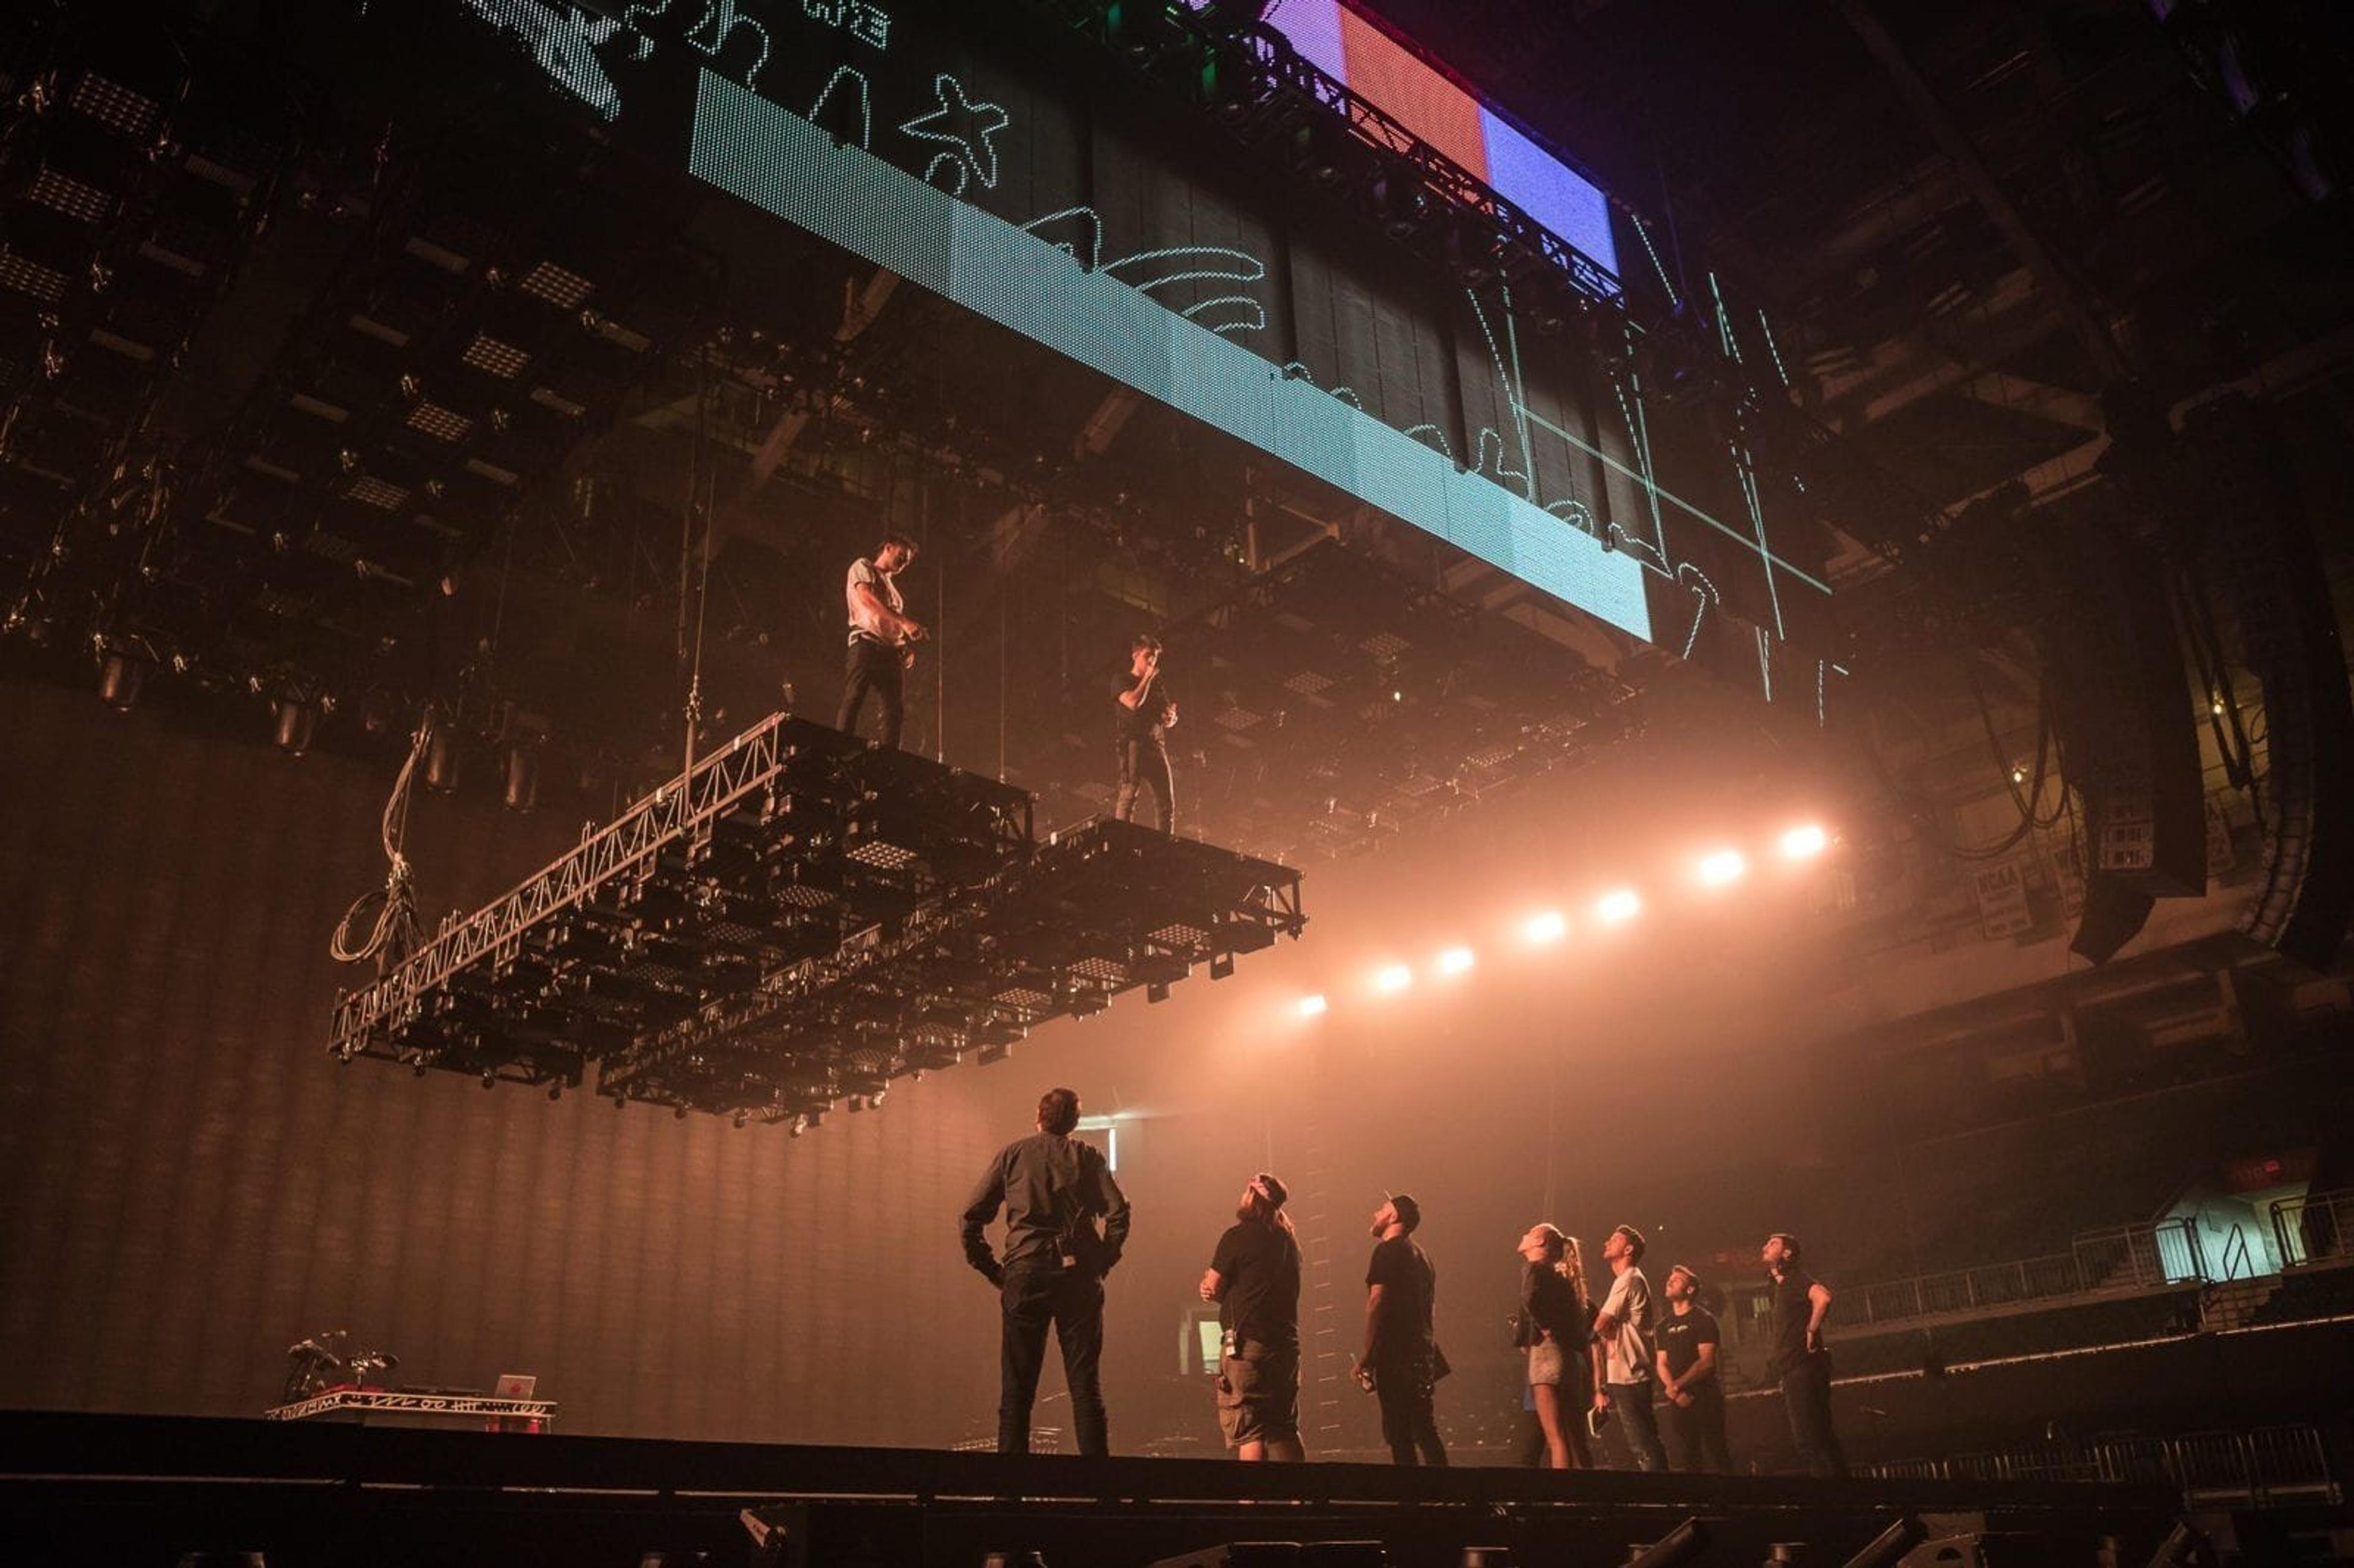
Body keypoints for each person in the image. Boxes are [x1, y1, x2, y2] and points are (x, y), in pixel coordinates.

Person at [959, 1087, 1130, 1456]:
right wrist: (1103, 1261)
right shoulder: (1088, 1157)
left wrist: (996, 1272)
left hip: (1025, 1272)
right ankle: (1101, 1492)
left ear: (1039, 1116)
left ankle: (1011, 1494)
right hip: (1079, 1278)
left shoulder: (1013, 1155)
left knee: (1017, 1390)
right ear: (1075, 1122)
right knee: (1086, 1387)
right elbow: (1119, 1212)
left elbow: (971, 1219)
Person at [1200, 1173, 1306, 1461]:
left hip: (1248, 1346)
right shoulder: (1289, 1242)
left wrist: (1209, 1290)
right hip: (1286, 1347)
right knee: (1283, 1428)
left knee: (1250, 1429)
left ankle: (1252, 1503)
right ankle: (1301, 1501)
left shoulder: (1237, 1236)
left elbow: (1214, 1286)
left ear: (1252, 1197)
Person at [1357, 1193, 1446, 1466]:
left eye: (1382, 1209)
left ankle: (1411, 1501)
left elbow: (1377, 1301)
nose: (1375, 1214)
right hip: (1421, 1355)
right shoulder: (1422, 1257)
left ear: (1394, 1216)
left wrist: (1368, 1358)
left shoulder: (1388, 1250)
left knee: (1400, 1436)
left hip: (1395, 1357)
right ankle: (1448, 1496)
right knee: (1425, 1431)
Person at [1514, 1224, 1602, 1469]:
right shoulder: (1564, 1281)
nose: (1523, 1235)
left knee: (1556, 1439)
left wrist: (1542, 1325)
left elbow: (1529, 1298)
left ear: (1540, 1243)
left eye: (1529, 1233)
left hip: (1546, 1359)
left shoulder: (1533, 1268)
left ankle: (1561, 1497)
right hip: (1568, 1361)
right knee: (1572, 1438)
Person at [1764, 1232, 1846, 1477]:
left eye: (1773, 1243)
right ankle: (1848, 1495)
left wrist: (1812, 1329)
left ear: (1787, 1253)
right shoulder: (1783, 1284)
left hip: (1803, 1366)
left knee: (1809, 1439)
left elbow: (1823, 1297)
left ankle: (1828, 1500)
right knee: (1821, 1435)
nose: (1765, 1246)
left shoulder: (1796, 1279)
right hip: (1798, 1367)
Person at [836, 533, 927, 748]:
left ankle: (890, 757)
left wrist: (903, 646)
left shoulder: (896, 594)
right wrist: (905, 623)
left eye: (907, 561)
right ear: (888, 548)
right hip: (866, 644)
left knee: (894, 710)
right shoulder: (863, 566)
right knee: (855, 697)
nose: (903, 563)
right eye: (901, 556)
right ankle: (839, 746)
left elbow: (888, 623)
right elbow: (867, 599)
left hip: (890, 652)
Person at [1590, 1223, 1668, 1471]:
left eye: (1615, 1239)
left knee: (1643, 1444)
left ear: (1629, 1249)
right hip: (1623, 1374)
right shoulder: (1626, 1280)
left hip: (1630, 1375)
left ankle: (1661, 1495)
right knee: (1641, 1443)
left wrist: (1606, 1332)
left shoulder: (1629, 1279)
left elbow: (1600, 1325)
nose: (1607, 1242)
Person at [1654, 1264, 1732, 1474]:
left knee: (1717, 1454)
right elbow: (1661, 1363)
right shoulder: (1663, 1326)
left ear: (1689, 1290)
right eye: (1669, 1279)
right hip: (1678, 1400)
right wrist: (1673, 1389)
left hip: (1705, 1398)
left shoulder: (1704, 1320)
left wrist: (1676, 1386)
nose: (1670, 1282)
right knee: (1689, 1457)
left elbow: (1706, 1362)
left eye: (1677, 1280)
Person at [1111, 634, 1178, 832]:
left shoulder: (1157, 687)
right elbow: (1132, 702)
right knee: (1129, 794)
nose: (1151, 661)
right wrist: (1147, 678)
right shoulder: (1121, 679)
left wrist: (1171, 718)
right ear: (1135, 655)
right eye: (1148, 655)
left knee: (1166, 802)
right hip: (1133, 744)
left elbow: (1166, 716)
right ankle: (1122, 838)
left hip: (1156, 745)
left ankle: (1165, 844)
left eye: (1155, 657)